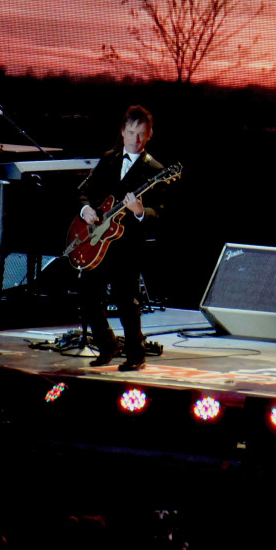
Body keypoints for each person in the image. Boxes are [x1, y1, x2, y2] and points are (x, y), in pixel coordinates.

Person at [76, 105, 166, 371]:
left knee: (127, 300)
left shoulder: (156, 170)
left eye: (141, 134)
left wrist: (140, 212)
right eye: (130, 133)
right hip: (98, 243)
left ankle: (136, 355)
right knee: (87, 296)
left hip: (127, 246)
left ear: (149, 135)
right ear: (122, 132)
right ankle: (107, 345)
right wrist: (86, 209)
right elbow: (84, 192)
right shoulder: (108, 159)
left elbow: (160, 214)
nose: (135, 140)